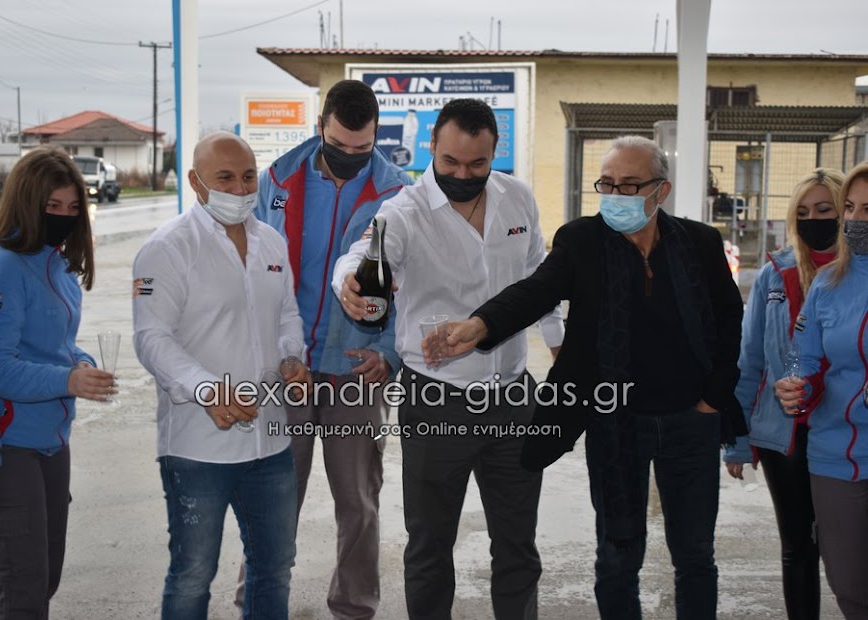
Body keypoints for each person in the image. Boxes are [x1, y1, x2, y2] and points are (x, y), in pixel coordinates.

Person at [428, 135, 745, 620]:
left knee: (695, 553)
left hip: (690, 421)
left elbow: (728, 317)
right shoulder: (582, 241)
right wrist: (480, 324)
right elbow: (536, 291)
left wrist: (714, 398)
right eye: (607, 184)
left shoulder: (699, 243)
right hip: (616, 424)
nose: (615, 195)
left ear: (660, 190)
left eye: (630, 185)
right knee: (618, 556)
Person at [334, 98, 565, 620]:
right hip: (436, 401)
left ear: (494, 154)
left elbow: (539, 275)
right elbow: (363, 255)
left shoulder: (517, 198)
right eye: (450, 162)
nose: (462, 175)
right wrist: (349, 281)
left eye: (477, 164)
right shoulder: (403, 212)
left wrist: (558, 341)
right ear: (431, 148)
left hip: (513, 398)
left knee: (518, 544)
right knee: (430, 546)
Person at [247, 79, 410, 619]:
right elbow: (251, 271)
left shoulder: (399, 195)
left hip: (356, 369)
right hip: (287, 367)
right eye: (338, 145)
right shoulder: (277, 181)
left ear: (377, 136)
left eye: (363, 148)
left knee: (358, 501)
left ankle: (354, 608)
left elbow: (414, 286)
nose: (349, 157)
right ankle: (257, 603)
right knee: (273, 496)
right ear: (320, 127)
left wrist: (388, 353)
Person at [132, 132, 309, 619]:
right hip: (197, 448)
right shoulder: (167, 249)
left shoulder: (271, 241)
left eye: (248, 177)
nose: (240, 189)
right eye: (225, 178)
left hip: (270, 444)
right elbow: (151, 338)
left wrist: (292, 357)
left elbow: (286, 316)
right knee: (193, 575)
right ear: (195, 181)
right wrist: (206, 388)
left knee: (274, 569)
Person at [0, 147, 112, 618]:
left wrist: (81, 363)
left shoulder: (58, 265)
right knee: (21, 591)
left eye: (73, 208)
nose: (64, 217)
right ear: (26, 202)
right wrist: (68, 380)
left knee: (44, 579)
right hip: (8, 445)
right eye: (53, 206)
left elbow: (54, 345)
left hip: (52, 442)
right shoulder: (1, 267)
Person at [722, 167, 844, 620]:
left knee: (847, 547)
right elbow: (750, 359)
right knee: (798, 546)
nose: (813, 220)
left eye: (825, 209)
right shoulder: (775, 274)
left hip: (846, 432)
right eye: (803, 212)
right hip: (786, 435)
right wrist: (737, 439)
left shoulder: (858, 274)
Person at [775, 161, 868, 619]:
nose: (855, 220)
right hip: (835, 458)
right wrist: (797, 385)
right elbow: (804, 356)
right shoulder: (828, 285)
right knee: (849, 587)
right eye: (850, 208)